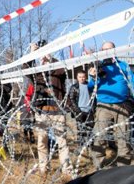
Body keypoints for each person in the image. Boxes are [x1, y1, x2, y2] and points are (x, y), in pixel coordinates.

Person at [24, 40, 72, 175]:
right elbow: (26, 70)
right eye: (42, 53)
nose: (44, 56)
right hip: (42, 110)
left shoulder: (57, 68)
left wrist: (51, 59)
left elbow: (63, 70)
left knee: (61, 141)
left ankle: (66, 169)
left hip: (57, 110)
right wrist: (32, 54)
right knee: (42, 141)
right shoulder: (38, 72)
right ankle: (44, 168)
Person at [89, 41, 134, 168]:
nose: (106, 52)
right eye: (104, 50)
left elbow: (132, 83)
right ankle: (100, 167)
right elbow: (91, 86)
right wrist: (92, 77)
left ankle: (122, 168)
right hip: (104, 106)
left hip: (123, 105)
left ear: (115, 50)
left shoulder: (123, 66)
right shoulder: (97, 66)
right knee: (100, 137)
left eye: (109, 49)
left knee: (123, 138)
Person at [68, 70, 96, 147]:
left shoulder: (89, 85)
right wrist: (77, 109)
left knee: (90, 129)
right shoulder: (74, 87)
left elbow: (94, 97)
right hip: (79, 111)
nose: (82, 78)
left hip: (89, 110)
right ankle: (81, 145)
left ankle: (90, 145)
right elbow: (71, 98)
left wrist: (94, 108)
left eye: (83, 77)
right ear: (77, 78)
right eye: (80, 77)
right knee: (81, 129)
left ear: (85, 77)